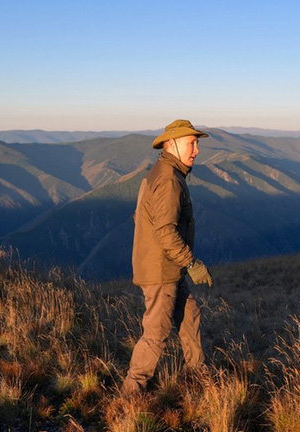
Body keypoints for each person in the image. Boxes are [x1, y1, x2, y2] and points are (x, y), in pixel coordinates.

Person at [121, 119, 213, 395]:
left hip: (168, 267)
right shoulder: (169, 180)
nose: (196, 150)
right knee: (156, 333)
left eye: (196, 143)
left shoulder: (161, 173)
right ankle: (130, 393)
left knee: (190, 315)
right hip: (162, 270)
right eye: (191, 143)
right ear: (171, 144)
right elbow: (165, 231)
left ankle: (197, 375)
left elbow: (142, 217)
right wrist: (192, 262)